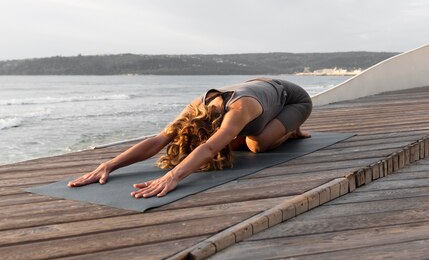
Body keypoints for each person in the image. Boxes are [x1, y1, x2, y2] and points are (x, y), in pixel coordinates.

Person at [68, 78, 312, 199]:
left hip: (292, 100)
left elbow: (208, 147)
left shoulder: (238, 110)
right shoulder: (196, 107)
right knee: (236, 143)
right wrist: (109, 165)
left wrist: (172, 176)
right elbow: (159, 139)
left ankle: (292, 130)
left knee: (256, 145)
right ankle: (274, 126)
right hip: (262, 97)